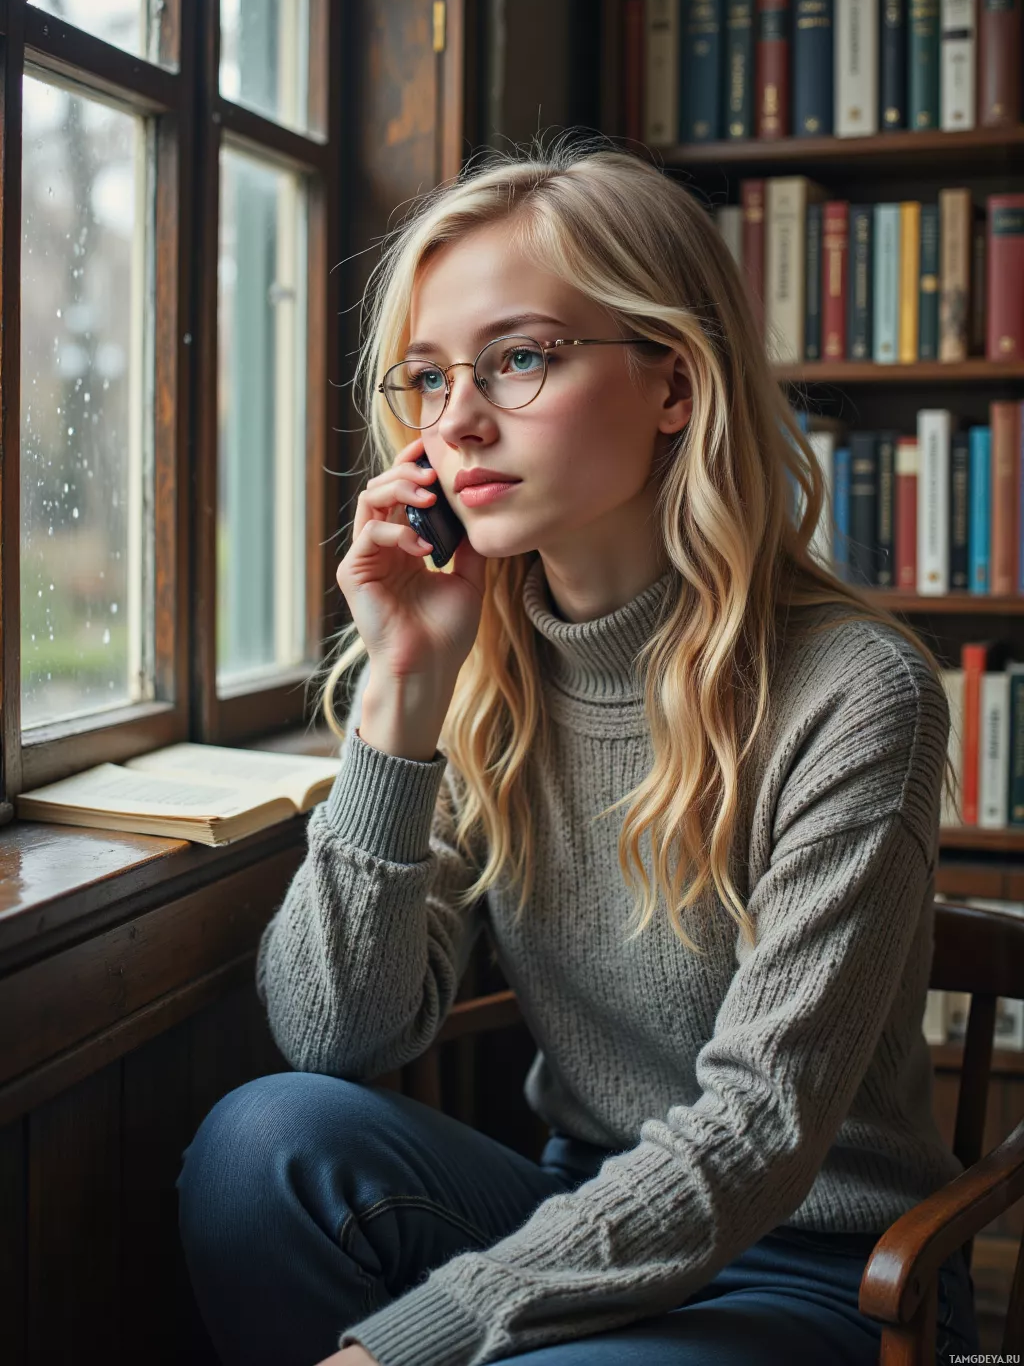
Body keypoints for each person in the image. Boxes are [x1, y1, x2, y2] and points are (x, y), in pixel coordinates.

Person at [176, 135, 981, 1366]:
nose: (459, 422)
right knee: (261, 1144)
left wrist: (405, 1344)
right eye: (428, 378)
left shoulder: (856, 691)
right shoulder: (484, 666)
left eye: (518, 358)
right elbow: (338, 1038)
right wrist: (403, 688)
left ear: (675, 384)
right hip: (574, 1210)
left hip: (819, 1271)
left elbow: (759, 1128)